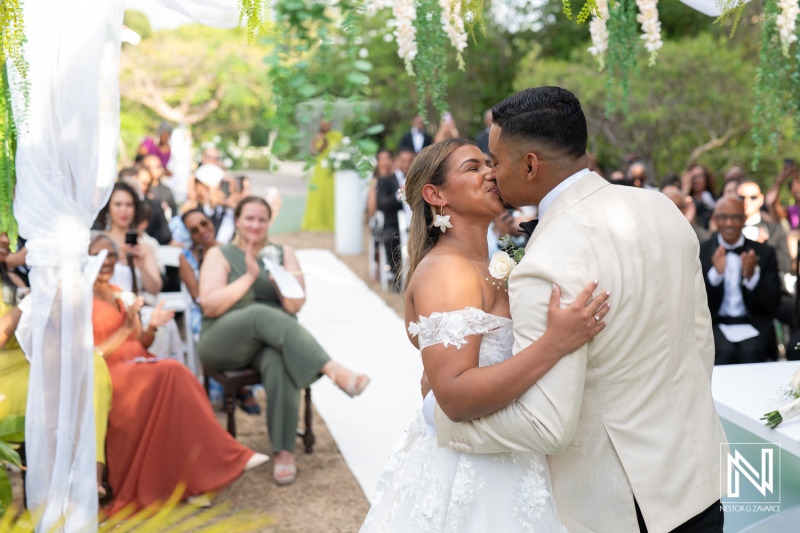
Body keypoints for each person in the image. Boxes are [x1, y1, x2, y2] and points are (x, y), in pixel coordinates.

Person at [432, 87, 726, 532]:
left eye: (496, 160)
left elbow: (545, 426)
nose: (492, 173)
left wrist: (437, 419)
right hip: (699, 480)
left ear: (530, 165)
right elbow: (699, 347)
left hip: (627, 505)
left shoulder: (547, 260)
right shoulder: (662, 208)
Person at [361, 138, 610, 531]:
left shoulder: (496, 263)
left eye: (488, 164)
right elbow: (455, 397)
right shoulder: (446, 271)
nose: (491, 173)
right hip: (472, 472)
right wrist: (555, 343)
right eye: (472, 168)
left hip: (514, 453)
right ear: (435, 194)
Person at [89, 234, 268, 514]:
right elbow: (90, 353)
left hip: (138, 361)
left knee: (176, 379)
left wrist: (152, 327)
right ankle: (229, 456)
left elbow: (138, 341)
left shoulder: (115, 292)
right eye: (97, 255)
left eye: (110, 255)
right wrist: (126, 330)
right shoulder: (79, 299)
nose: (106, 261)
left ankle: (195, 482)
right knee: (173, 371)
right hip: (109, 374)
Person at [199, 197, 369, 486]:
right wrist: (250, 276)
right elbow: (210, 305)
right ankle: (332, 369)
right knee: (258, 313)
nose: (255, 224)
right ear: (238, 220)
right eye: (249, 218)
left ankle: (283, 451)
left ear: (269, 222)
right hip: (224, 339)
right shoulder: (220, 254)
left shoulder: (283, 252)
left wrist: (277, 279)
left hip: (269, 342)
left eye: (262, 219)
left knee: (280, 360)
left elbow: (294, 307)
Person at [0, 232, 112, 498]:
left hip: (31, 363)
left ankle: (90, 474)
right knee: (69, 381)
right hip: (5, 377)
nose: (6, 239)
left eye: (8, 233)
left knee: (89, 363)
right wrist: (31, 302)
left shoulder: (14, 277)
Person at [178, 208, 260, 414]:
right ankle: (239, 388)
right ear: (189, 235)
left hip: (232, 305)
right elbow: (197, 296)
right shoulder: (186, 257)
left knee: (244, 322)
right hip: (203, 311)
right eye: (195, 229)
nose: (202, 231)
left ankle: (239, 384)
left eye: (204, 223)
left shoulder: (228, 250)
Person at [700, 198, 782, 364]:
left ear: (744, 219)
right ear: (715, 220)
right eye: (723, 217)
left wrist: (752, 276)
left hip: (752, 322)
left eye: (735, 217)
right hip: (716, 323)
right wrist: (715, 274)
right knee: (723, 353)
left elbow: (773, 303)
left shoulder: (764, 253)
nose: (729, 223)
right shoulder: (702, 252)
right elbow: (696, 302)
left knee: (752, 353)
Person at [95, 182, 163, 296]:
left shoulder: (144, 246)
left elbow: (155, 290)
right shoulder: (97, 242)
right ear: (108, 208)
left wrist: (141, 266)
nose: (123, 210)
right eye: (118, 204)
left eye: (129, 205)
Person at [376, 149, 415, 288]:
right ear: (397, 161)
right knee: (391, 239)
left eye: (409, 161)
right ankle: (397, 278)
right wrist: (399, 195)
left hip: (416, 223)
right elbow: (381, 203)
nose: (406, 164)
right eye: (403, 161)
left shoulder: (419, 180)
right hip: (393, 223)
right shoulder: (387, 180)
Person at [737, 180, 792, 276]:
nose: (747, 201)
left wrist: (764, 248)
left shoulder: (775, 230)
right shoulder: (726, 230)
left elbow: (787, 264)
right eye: (741, 197)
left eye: (753, 197)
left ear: (761, 199)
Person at [301, 120, 342, 231]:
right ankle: (316, 221)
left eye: (328, 122)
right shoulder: (317, 136)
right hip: (320, 169)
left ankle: (333, 222)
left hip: (332, 170)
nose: (326, 125)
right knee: (317, 194)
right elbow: (312, 153)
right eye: (323, 122)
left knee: (331, 194)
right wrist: (322, 146)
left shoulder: (337, 136)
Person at [142, 154, 178, 220]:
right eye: (149, 167)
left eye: (158, 167)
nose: (158, 170)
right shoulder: (141, 188)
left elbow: (174, 212)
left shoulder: (166, 190)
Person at [682, 164, 717, 229]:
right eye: (694, 177)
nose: (697, 180)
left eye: (700, 176)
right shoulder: (688, 199)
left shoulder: (713, 198)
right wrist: (685, 189)